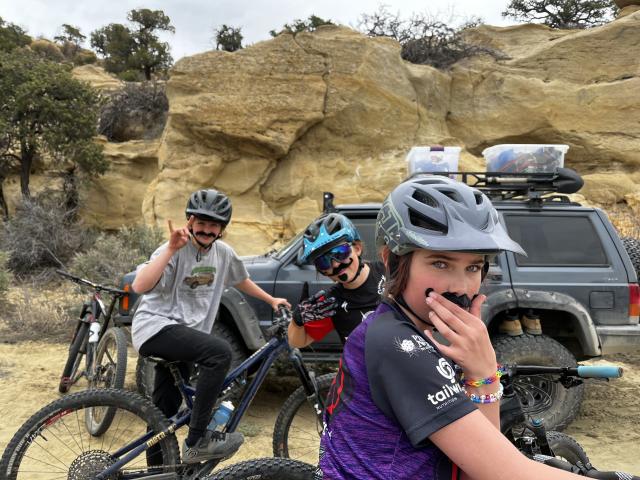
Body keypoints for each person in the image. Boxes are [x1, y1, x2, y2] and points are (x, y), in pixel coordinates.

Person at [317, 176, 587, 479]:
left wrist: (483, 374)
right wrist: (486, 372)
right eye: (440, 264)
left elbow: (481, 460)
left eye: (473, 267)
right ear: (391, 262)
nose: (460, 287)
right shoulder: (397, 343)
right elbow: (506, 473)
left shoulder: (403, 325)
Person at [131, 189, 289, 464]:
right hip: (155, 328)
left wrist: (271, 299)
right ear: (190, 222)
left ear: (221, 229)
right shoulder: (175, 248)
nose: (206, 229)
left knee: (163, 414)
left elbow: (241, 279)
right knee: (219, 353)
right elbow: (139, 285)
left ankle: (157, 471)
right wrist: (169, 248)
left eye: (213, 224)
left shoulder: (224, 254)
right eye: (201, 223)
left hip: (184, 338)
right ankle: (197, 440)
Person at [287, 213, 386, 348]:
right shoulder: (330, 303)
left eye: (340, 252)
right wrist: (297, 320)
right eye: (323, 262)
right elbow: (297, 342)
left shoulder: (390, 272)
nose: (335, 265)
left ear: (357, 248)